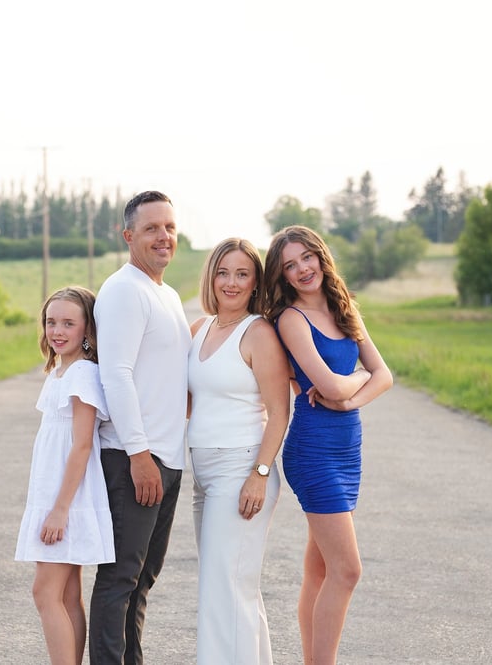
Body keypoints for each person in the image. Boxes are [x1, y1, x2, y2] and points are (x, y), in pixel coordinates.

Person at [262, 225, 393, 665]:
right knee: (347, 570)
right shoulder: (290, 319)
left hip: (347, 450)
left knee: (320, 571)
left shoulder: (343, 307)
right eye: (289, 266)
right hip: (313, 451)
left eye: (306, 258)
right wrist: (354, 386)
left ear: (321, 256)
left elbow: (384, 375)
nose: (301, 270)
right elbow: (333, 388)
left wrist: (351, 392)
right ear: (281, 276)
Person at [88, 190, 191, 665]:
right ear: (128, 236)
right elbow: (117, 374)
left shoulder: (166, 294)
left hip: (166, 458)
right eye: (151, 228)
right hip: (136, 459)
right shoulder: (124, 290)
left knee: (142, 579)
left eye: (168, 227)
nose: (163, 236)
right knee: (119, 579)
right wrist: (138, 453)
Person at [187, 238, 291, 664]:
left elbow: (279, 413)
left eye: (242, 274)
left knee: (224, 588)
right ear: (211, 276)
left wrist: (259, 474)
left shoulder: (259, 333)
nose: (231, 282)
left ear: (255, 283)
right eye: (223, 272)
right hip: (203, 473)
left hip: (242, 468)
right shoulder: (199, 329)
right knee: (233, 587)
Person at [15, 286, 115, 665]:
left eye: (68, 323)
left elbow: (82, 446)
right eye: (51, 321)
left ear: (87, 330)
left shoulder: (82, 376)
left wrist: (59, 511)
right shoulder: (62, 372)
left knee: (45, 593)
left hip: (65, 501)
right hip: (57, 496)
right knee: (67, 595)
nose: (57, 330)